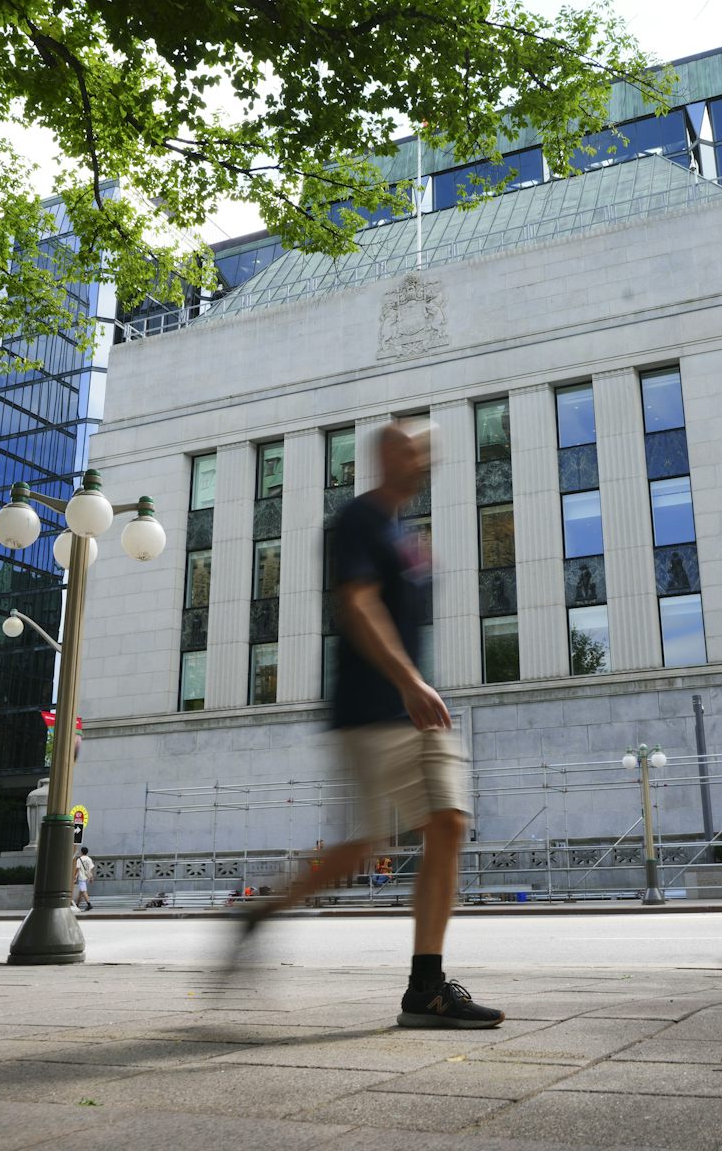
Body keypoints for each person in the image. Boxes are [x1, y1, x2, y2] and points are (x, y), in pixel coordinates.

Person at [227, 421, 503, 1029]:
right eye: (413, 449)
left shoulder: (402, 534)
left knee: (420, 831)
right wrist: (410, 683)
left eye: (429, 450)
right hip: (377, 710)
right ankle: (272, 916)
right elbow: (354, 605)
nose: (424, 459)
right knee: (398, 837)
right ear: (385, 456)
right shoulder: (356, 520)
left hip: (399, 711)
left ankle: (418, 983)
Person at [73, 846, 95, 912]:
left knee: (83, 891)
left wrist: (74, 876)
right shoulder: (89, 859)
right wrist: (91, 877)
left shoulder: (79, 859)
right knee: (81, 891)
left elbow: (77, 868)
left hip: (81, 877)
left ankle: (89, 904)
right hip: (87, 877)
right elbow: (91, 869)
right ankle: (77, 905)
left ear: (81, 852)